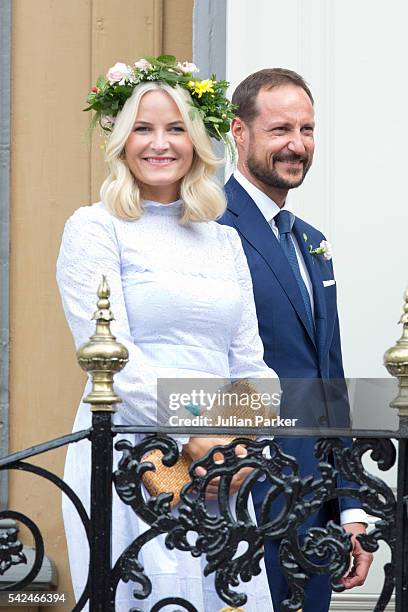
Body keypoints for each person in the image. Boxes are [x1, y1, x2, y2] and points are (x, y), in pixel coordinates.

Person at [56, 56, 276, 611]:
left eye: (176, 128)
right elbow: (110, 358)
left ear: (197, 140)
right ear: (121, 139)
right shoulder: (95, 228)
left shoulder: (222, 241)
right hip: (136, 458)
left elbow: (252, 365)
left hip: (221, 464)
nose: (161, 144)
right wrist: (196, 430)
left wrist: (241, 446)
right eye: (143, 128)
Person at [220, 68, 373, 612]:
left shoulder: (312, 242)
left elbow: (328, 378)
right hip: (239, 488)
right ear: (239, 132)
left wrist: (350, 507)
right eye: (280, 128)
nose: (297, 144)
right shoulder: (207, 226)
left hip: (316, 502)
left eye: (307, 130)